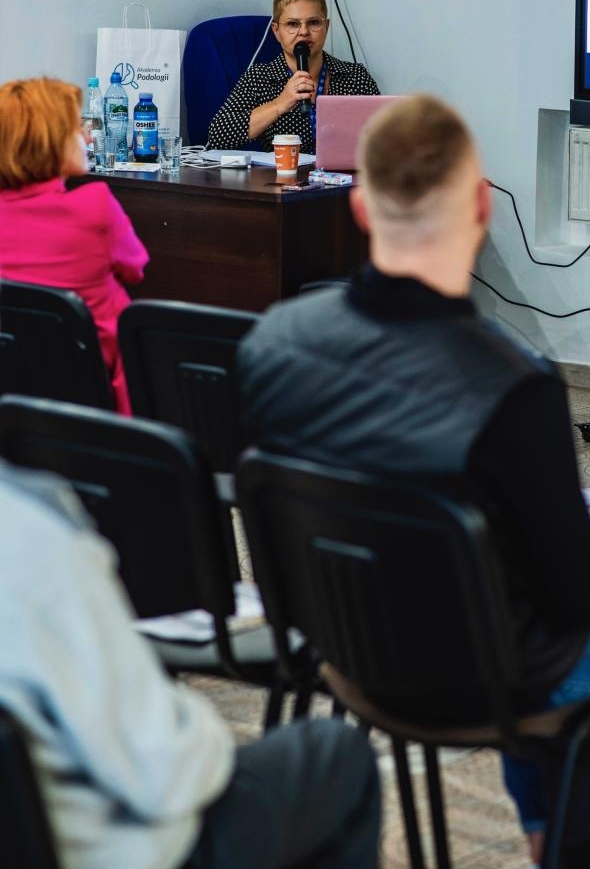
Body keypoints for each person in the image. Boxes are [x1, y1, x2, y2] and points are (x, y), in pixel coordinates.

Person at [237, 94, 590, 869]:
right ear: (480, 205)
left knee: (494, 576)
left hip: (348, 654)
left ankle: (554, 828)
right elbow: (578, 597)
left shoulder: (274, 341)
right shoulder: (512, 386)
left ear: (359, 208)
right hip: (487, 673)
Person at [0, 457, 380, 869]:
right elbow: (162, 774)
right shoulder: (31, 537)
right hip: (102, 851)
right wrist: (202, 727)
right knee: (339, 755)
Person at [0, 77, 148, 414]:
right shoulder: (94, 205)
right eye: (76, 127)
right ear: (47, 142)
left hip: (16, 388)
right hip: (96, 392)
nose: (88, 135)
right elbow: (136, 268)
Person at [206, 0, 379, 154]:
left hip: (344, 177)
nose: (303, 32)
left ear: (326, 27)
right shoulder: (260, 77)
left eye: (313, 22)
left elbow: (387, 134)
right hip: (284, 176)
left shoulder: (355, 75)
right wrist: (279, 104)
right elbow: (218, 135)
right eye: (292, 24)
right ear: (276, 31)